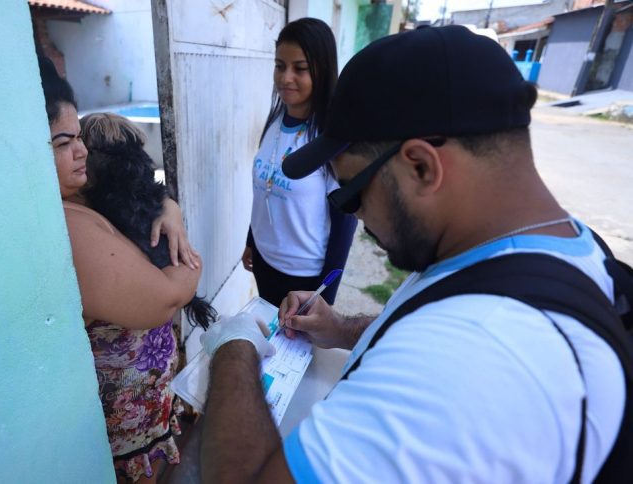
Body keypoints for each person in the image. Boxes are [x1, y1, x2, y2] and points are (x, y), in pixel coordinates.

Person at [198, 26, 626, 483]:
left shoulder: (468, 360)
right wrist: (341, 328)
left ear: (421, 166)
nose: (353, 216)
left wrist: (235, 347)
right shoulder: (552, 248)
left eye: (349, 193)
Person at [38, 59, 202, 483]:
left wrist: (171, 210)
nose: (82, 151)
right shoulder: (67, 227)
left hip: (138, 419)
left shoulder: (83, 197)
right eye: (63, 142)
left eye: (79, 138)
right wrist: (189, 267)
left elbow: (145, 202)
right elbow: (164, 299)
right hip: (117, 435)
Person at [242, 18, 357, 307]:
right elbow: (263, 186)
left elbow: (344, 226)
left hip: (305, 277)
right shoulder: (275, 121)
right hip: (264, 263)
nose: (285, 78)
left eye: (300, 68)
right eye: (280, 66)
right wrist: (252, 241)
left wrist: (324, 297)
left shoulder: (331, 139)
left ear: (322, 70)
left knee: (299, 350)